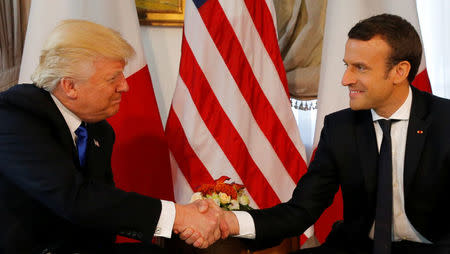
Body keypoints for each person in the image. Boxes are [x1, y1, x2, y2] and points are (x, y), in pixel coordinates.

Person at [179, 13, 450, 253]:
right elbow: (300, 211)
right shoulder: (341, 128)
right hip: (356, 247)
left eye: (361, 68)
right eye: (347, 65)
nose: (346, 79)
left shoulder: (445, 121)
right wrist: (229, 221)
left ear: (399, 71)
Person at [0, 19, 227, 254]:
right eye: (113, 78)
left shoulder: (99, 131)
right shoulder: (15, 117)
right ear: (70, 86)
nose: (125, 86)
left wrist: (177, 224)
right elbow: (75, 199)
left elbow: (102, 209)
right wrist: (177, 216)